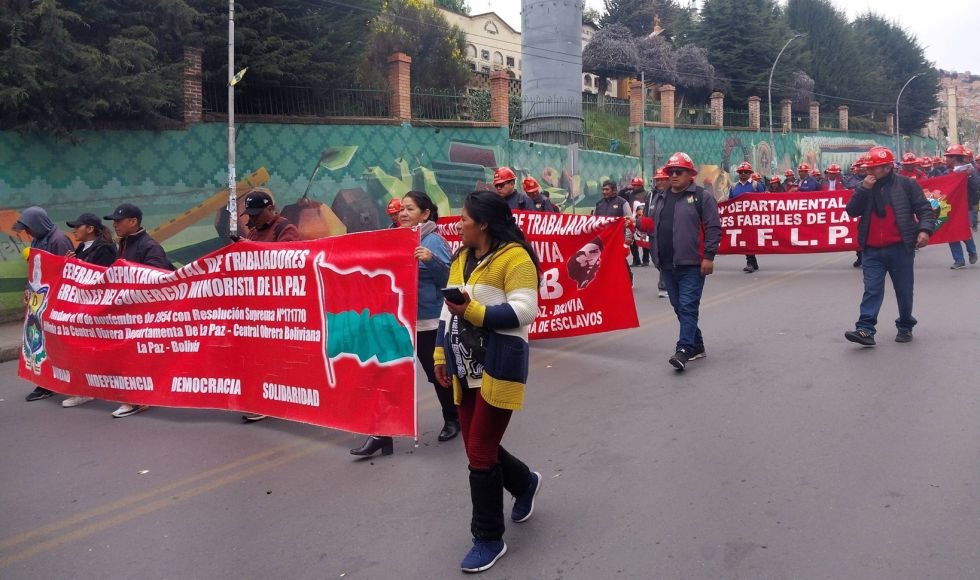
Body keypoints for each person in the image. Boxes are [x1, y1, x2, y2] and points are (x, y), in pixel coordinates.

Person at [432, 191, 542, 573]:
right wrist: (440, 355)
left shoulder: (515, 258)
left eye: (462, 218)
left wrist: (474, 310)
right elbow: (447, 312)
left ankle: (488, 538)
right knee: (480, 447)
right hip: (464, 369)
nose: (457, 224)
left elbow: (526, 310)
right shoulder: (461, 258)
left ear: (482, 224)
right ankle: (524, 482)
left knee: (479, 450)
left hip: (499, 367)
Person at [351, 191, 458, 456]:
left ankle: (453, 418)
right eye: (402, 209)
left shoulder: (434, 243)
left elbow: (450, 281)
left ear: (425, 214)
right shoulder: (390, 240)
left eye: (410, 209)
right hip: (394, 322)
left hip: (426, 322)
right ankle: (382, 435)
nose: (403, 214)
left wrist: (430, 262)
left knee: (436, 375)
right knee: (385, 374)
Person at [843, 146, 934, 347]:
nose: (869, 172)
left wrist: (924, 230)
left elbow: (925, 209)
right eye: (868, 168)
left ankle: (905, 325)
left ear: (887, 167)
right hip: (871, 249)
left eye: (874, 168)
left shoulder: (906, 185)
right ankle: (865, 329)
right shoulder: (864, 187)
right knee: (872, 290)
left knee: (903, 290)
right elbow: (851, 211)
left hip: (900, 248)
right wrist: (863, 189)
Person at [637, 152, 721, 371]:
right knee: (679, 308)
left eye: (678, 172)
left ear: (690, 174)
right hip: (666, 264)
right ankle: (697, 345)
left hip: (692, 264)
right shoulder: (661, 197)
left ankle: (683, 349)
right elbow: (653, 225)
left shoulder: (703, 197)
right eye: (670, 172)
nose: (673, 176)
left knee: (687, 307)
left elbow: (713, 228)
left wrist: (709, 257)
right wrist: (635, 223)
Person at [103, 203, 174, 417]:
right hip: (130, 312)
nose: (115, 224)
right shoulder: (124, 244)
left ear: (133, 222)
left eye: (119, 220)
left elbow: (158, 278)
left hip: (145, 313)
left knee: (136, 356)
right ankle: (140, 396)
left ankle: (138, 398)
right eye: (113, 221)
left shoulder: (149, 246)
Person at [238, 188, 301, 422]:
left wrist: (251, 248)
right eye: (250, 214)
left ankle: (271, 400)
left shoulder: (286, 229)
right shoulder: (254, 233)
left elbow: (289, 260)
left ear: (270, 209)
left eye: (256, 213)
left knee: (272, 356)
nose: (252, 219)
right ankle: (264, 397)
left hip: (281, 305)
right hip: (258, 304)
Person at [14, 207, 75, 402]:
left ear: (38, 223)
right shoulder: (37, 241)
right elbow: (35, 268)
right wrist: (28, 287)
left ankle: (59, 381)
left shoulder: (58, 240)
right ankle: (48, 381)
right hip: (41, 300)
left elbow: (67, 270)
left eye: (29, 227)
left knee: (56, 343)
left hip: (56, 301)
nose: (28, 232)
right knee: (43, 342)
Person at [60, 213, 119, 408]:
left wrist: (79, 266)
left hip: (96, 308)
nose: (74, 230)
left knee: (92, 349)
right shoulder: (80, 248)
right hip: (82, 307)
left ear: (90, 228)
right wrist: (70, 264)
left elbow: (100, 277)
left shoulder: (105, 249)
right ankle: (87, 387)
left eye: (78, 226)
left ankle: (91, 388)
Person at [943, 144, 979, 268]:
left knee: (963, 231)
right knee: (951, 233)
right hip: (949, 207)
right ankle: (959, 260)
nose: (946, 159)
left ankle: (972, 252)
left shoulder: (970, 171)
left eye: (949, 157)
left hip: (965, 207)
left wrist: (968, 176)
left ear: (956, 158)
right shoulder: (946, 172)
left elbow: (976, 187)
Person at [594, 179, 635, 285]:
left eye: (607, 189)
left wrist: (628, 237)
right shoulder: (599, 204)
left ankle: (628, 281)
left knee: (620, 260)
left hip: (618, 238)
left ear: (614, 190)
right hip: (603, 239)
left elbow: (629, 220)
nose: (604, 192)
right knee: (603, 261)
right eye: (603, 189)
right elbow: (594, 222)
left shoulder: (622, 202)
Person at [729, 162, 762, 273]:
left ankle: (750, 262)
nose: (743, 174)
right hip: (740, 219)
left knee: (751, 239)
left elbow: (763, 201)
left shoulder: (756, 185)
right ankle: (752, 261)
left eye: (746, 172)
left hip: (753, 218)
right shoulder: (733, 187)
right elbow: (730, 203)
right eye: (741, 172)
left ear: (750, 173)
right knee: (745, 239)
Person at [648, 169, 671, 296]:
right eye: (658, 180)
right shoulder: (652, 196)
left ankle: (664, 286)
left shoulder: (673, 195)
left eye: (663, 179)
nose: (660, 182)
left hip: (666, 236)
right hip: (653, 235)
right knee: (656, 260)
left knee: (664, 260)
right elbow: (647, 215)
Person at [623, 177, 648, 266]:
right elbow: (619, 194)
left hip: (642, 218)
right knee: (632, 241)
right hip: (632, 219)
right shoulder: (629, 194)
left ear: (641, 186)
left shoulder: (647, 194)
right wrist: (627, 188)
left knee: (644, 239)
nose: (635, 187)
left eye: (637, 185)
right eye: (634, 185)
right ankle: (636, 260)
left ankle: (646, 259)